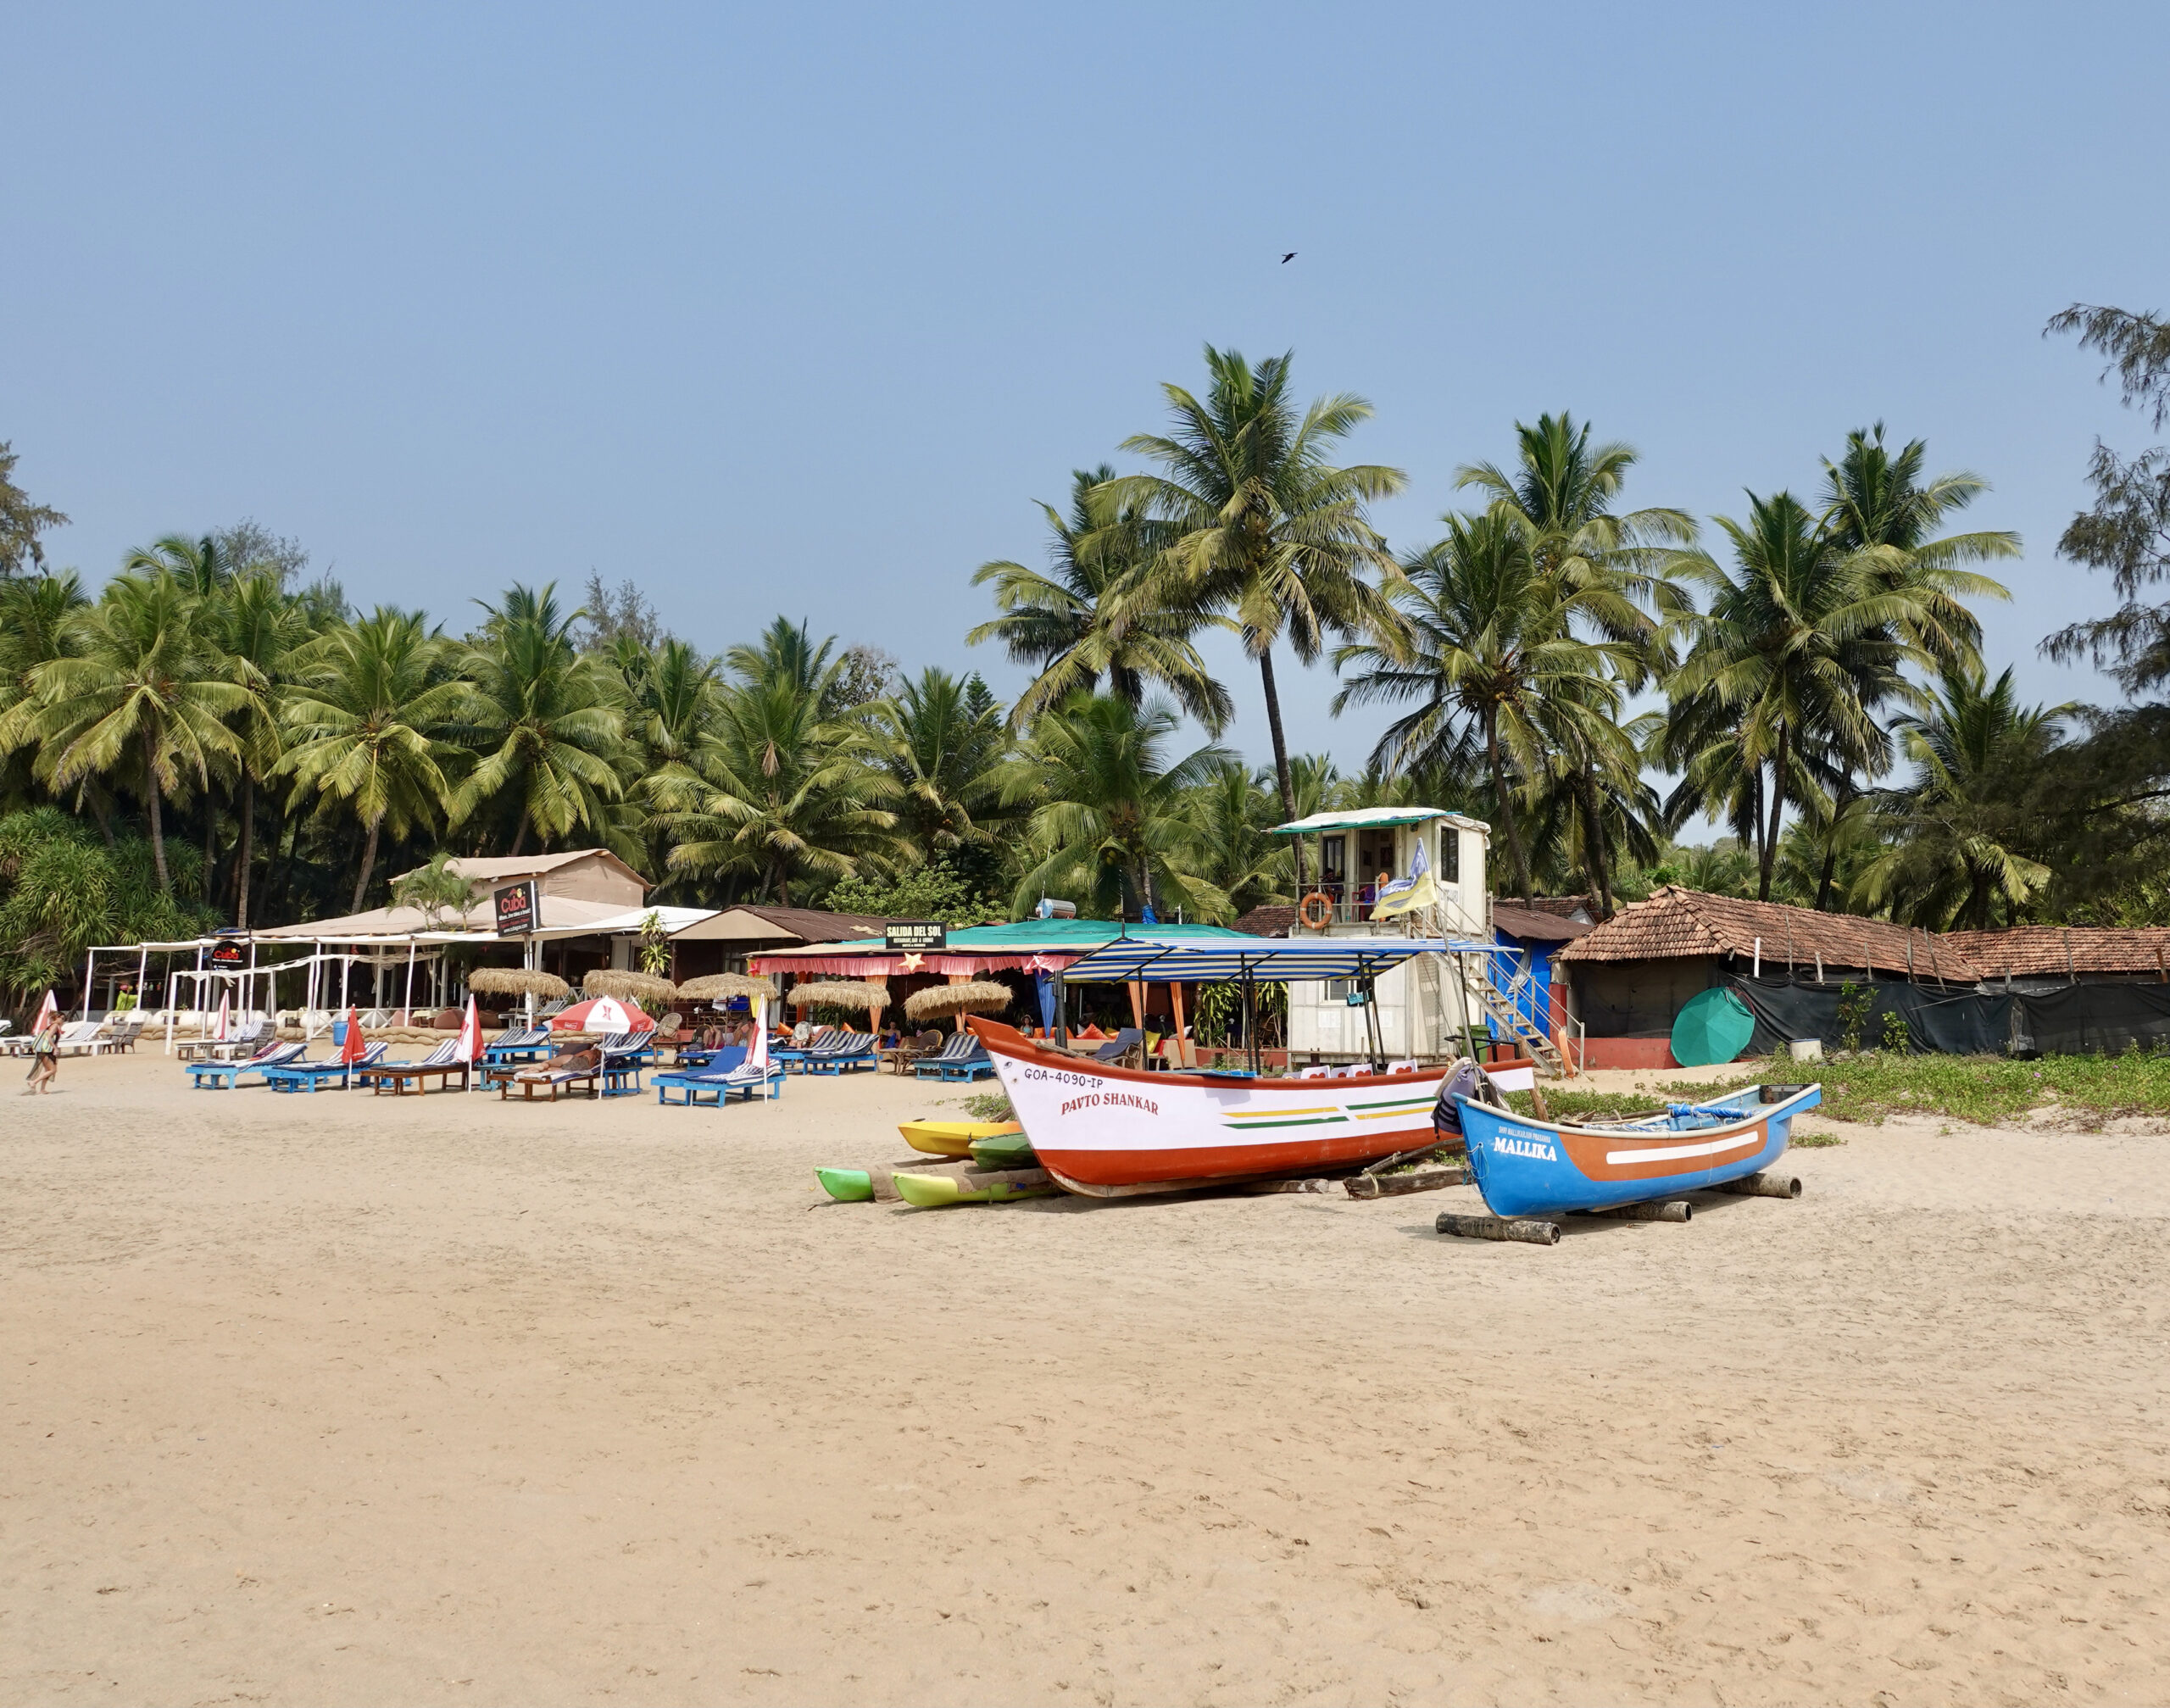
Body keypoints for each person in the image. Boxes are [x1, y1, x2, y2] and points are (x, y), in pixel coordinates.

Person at [25, 1010, 62, 1095]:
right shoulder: (55, 1026)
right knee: (52, 1070)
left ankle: (42, 1089)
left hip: (44, 1050)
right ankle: (34, 1082)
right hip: (47, 1051)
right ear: (56, 1018)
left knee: (48, 1070)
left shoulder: (52, 1026)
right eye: (61, 1018)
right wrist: (55, 1048)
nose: (62, 1020)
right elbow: (49, 1037)